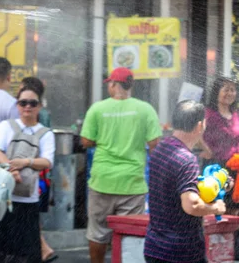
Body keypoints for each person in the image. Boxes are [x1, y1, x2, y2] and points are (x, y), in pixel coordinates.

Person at [80, 67, 162, 263]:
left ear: (114, 85)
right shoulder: (145, 109)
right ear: (130, 86)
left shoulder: (97, 109)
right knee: (130, 235)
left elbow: (85, 141)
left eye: (110, 83)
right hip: (132, 184)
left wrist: (104, 138)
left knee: (98, 233)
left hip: (102, 181)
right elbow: (155, 145)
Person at [144, 100, 227, 263]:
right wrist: (215, 208)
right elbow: (191, 205)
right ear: (199, 126)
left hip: (155, 248)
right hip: (181, 253)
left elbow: (172, 191)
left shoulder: (160, 148)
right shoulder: (186, 159)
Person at [0, 86, 55, 263]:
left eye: (32, 103)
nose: (27, 107)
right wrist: (12, 169)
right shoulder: (5, 126)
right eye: (23, 102)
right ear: (17, 105)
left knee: (27, 254)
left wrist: (25, 162)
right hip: (2, 196)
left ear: (39, 106)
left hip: (28, 200)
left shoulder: (46, 133)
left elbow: (48, 161)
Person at [19, 77, 58, 263]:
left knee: (30, 214)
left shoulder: (36, 119)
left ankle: (41, 248)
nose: (27, 106)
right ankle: (42, 247)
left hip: (34, 174)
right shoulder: (44, 113)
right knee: (32, 215)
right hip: (41, 175)